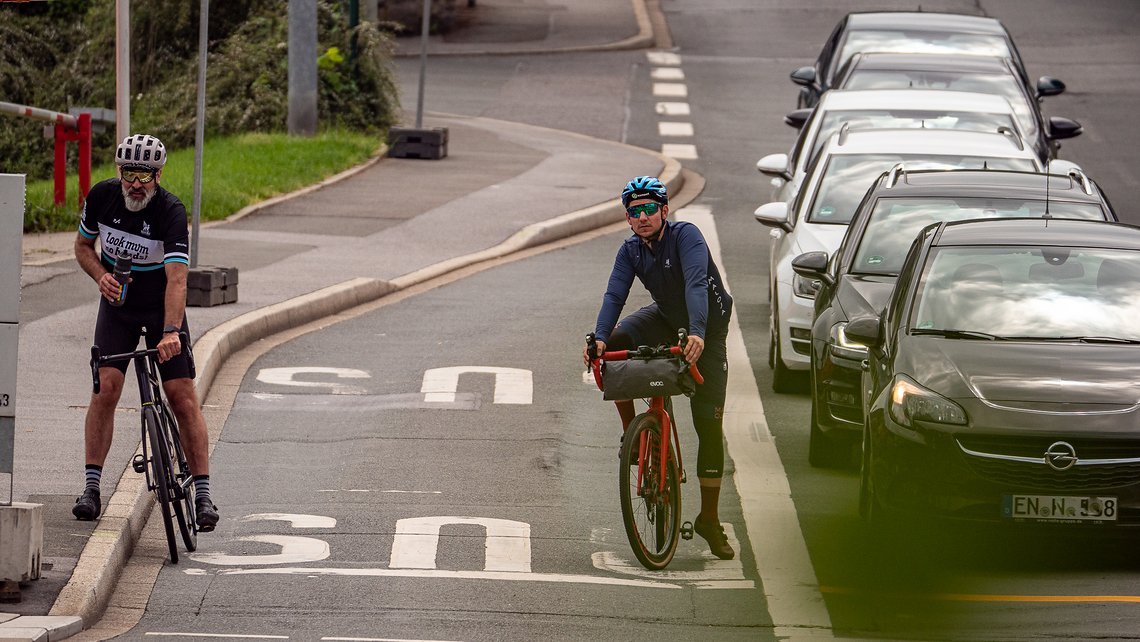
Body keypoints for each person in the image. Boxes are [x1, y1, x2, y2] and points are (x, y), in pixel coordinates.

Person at [72, 134, 219, 531]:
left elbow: (177, 280)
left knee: (182, 396)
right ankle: (91, 488)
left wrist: (171, 331)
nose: (137, 183)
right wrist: (101, 276)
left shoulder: (171, 211)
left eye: (147, 175)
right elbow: (83, 246)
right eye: (130, 173)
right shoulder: (101, 197)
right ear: (120, 171)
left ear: (159, 175)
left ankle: (203, 494)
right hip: (118, 309)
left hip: (161, 311)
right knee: (105, 388)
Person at [584, 176, 735, 559]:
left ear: (665, 211)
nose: (643, 216)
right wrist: (599, 338)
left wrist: (699, 334)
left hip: (707, 330)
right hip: (667, 317)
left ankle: (710, 521)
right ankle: (632, 435)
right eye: (635, 212)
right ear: (629, 219)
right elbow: (614, 293)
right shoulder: (632, 250)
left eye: (650, 208)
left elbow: (696, 285)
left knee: (707, 423)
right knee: (612, 346)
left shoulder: (686, 236)